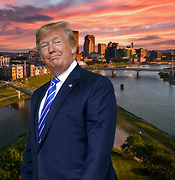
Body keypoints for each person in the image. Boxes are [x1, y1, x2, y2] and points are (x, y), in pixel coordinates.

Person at [21, 21, 117, 180]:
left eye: (57, 42)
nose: (51, 49)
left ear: (73, 48)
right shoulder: (38, 94)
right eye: (44, 46)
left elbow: (98, 155)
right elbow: (31, 151)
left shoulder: (97, 86)